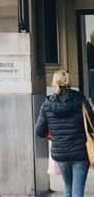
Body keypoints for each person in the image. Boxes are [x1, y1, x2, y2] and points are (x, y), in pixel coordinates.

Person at [35, 69, 94, 197]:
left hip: (60, 153)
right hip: (80, 152)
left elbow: (39, 131)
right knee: (78, 191)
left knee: (68, 189)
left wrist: (54, 136)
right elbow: (92, 123)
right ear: (69, 82)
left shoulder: (48, 103)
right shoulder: (80, 99)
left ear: (54, 83)